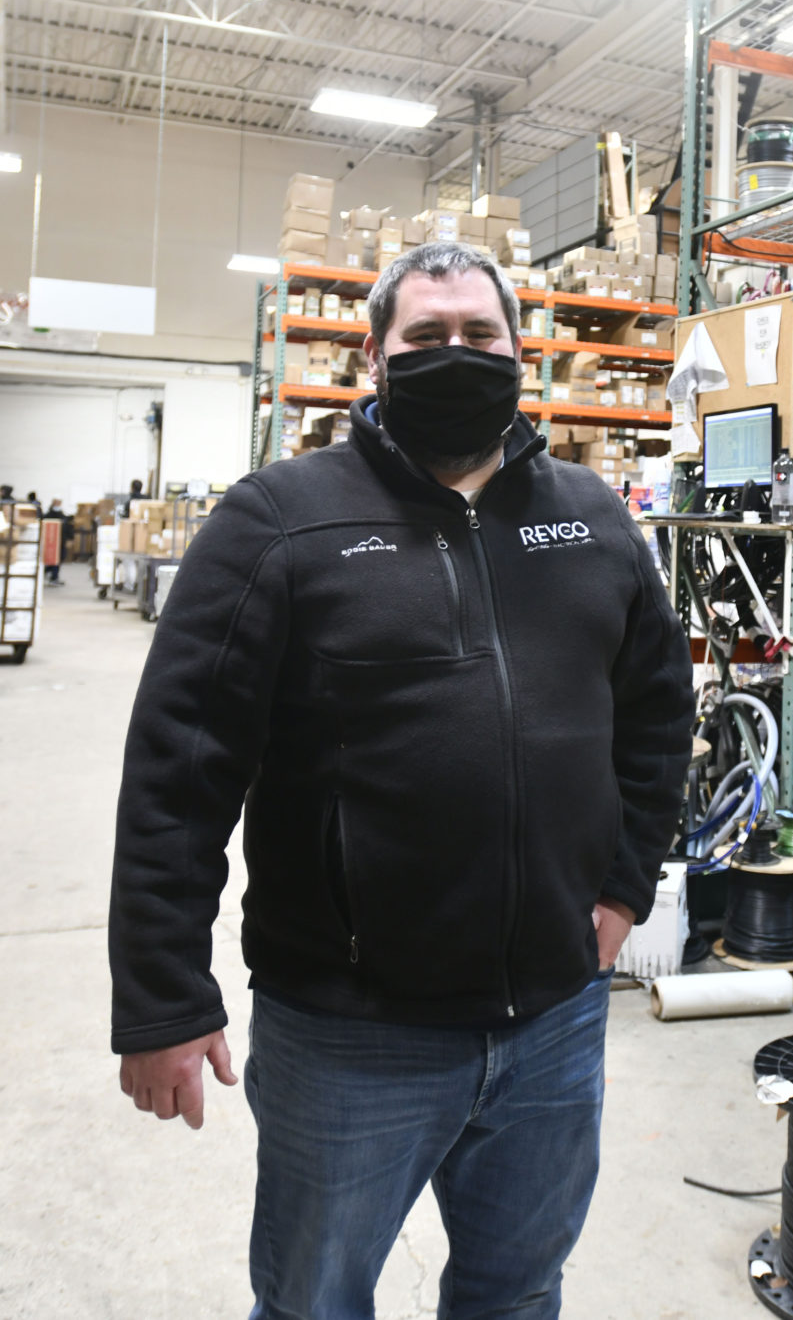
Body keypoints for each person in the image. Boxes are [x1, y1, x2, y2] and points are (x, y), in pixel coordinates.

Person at [110, 240, 692, 1320]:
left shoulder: (594, 519)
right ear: (374, 357)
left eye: (479, 335)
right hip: (350, 1029)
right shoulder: (278, 520)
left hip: (553, 1021)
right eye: (425, 337)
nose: (455, 354)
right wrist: (160, 996)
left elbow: (656, 718)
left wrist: (622, 889)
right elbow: (179, 768)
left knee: (516, 1294)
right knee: (314, 1303)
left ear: (519, 354)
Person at [42, 498, 66, 584]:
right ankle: (53, 576)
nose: (58, 504)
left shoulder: (61, 514)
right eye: (57, 503)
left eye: (59, 503)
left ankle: (52, 575)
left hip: (60, 541)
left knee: (58, 559)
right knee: (52, 559)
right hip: (51, 541)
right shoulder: (49, 514)